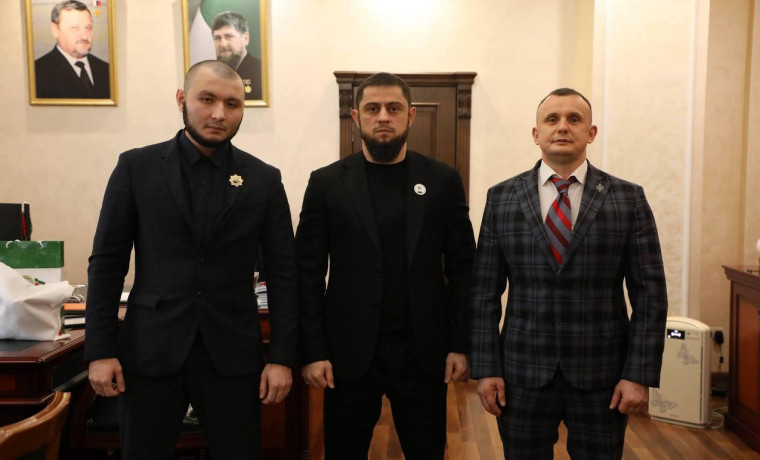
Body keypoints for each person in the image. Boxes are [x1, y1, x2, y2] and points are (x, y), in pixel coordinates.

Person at [84, 60, 298, 459]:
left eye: (232, 104)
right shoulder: (136, 167)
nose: (219, 113)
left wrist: (282, 357)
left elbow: (284, 273)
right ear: (182, 99)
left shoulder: (263, 179)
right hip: (151, 350)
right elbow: (108, 263)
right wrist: (100, 349)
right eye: (207, 99)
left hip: (232, 353)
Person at [469, 88, 668, 459]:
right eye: (552, 119)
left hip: (603, 373)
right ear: (536, 134)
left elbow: (650, 296)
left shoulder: (627, 199)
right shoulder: (502, 198)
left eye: (574, 119)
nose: (562, 127)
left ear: (591, 132)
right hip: (521, 372)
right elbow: (483, 293)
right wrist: (486, 368)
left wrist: (638, 373)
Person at [296, 72, 475, 459]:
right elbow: (307, 273)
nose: (383, 117)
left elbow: (464, 269)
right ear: (356, 117)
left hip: (422, 352)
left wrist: (460, 344)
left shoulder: (443, 180)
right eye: (372, 108)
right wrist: (313, 349)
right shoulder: (326, 183)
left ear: (410, 115)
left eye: (393, 108)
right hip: (347, 354)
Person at [35, 0, 110, 99]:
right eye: (74, 28)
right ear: (55, 30)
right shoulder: (37, 73)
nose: (84, 36)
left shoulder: (106, 69)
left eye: (88, 27)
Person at [211, 11, 262, 100]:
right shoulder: (210, 76)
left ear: (245, 38)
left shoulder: (262, 71)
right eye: (217, 38)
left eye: (229, 36)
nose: (223, 44)